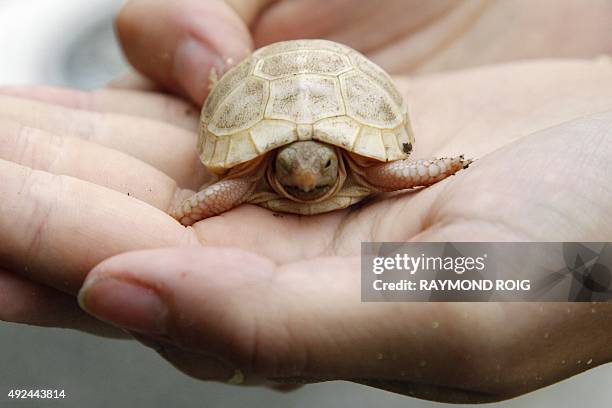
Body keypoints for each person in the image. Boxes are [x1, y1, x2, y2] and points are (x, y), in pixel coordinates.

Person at [0, 0, 611, 402]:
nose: (304, 181)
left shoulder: (366, 171)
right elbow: (226, 188)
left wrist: (594, 278)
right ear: (277, 168)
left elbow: (398, 172)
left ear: (336, 164)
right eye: (290, 172)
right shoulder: (252, 179)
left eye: (318, 170)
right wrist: (185, 208)